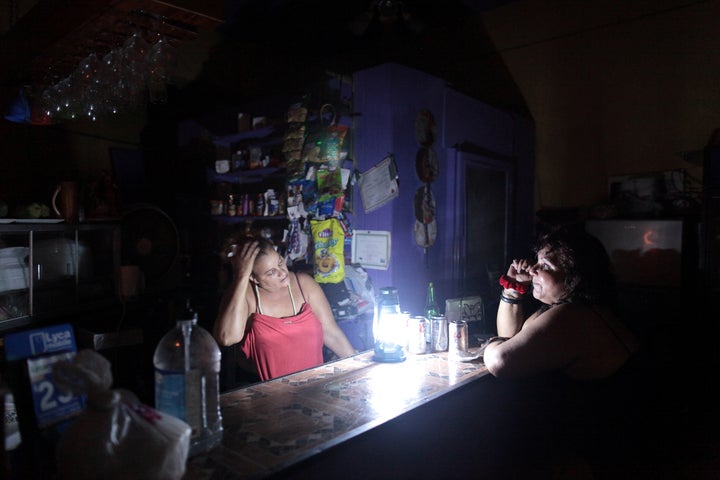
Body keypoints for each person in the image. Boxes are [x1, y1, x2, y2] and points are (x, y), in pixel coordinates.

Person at [478, 226, 672, 471]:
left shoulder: (572, 316)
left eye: (546, 266)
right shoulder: (570, 308)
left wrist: (488, 344)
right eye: (537, 262)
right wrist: (513, 289)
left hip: (604, 455)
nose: (533, 269)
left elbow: (501, 361)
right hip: (593, 440)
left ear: (575, 276)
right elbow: (512, 337)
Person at [213, 235, 356, 381]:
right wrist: (241, 276)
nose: (282, 272)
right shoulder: (244, 296)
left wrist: (357, 368)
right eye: (271, 272)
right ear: (253, 278)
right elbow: (227, 338)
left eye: (280, 262)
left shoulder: (304, 284)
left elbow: (331, 332)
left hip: (313, 387)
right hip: (267, 395)